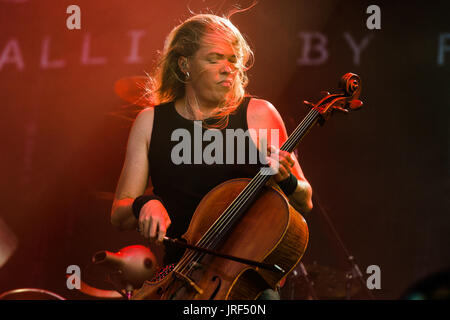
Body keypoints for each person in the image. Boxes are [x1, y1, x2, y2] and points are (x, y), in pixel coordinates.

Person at [110, 13, 313, 300]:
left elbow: (305, 200)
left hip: (246, 282)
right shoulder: (150, 122)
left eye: (232, 59)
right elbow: (120, 212)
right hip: (178, 276)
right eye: (214, 58)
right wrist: (146, 202)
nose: (228, 68)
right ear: (184, 65)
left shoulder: (259, 115)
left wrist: (287, 179)